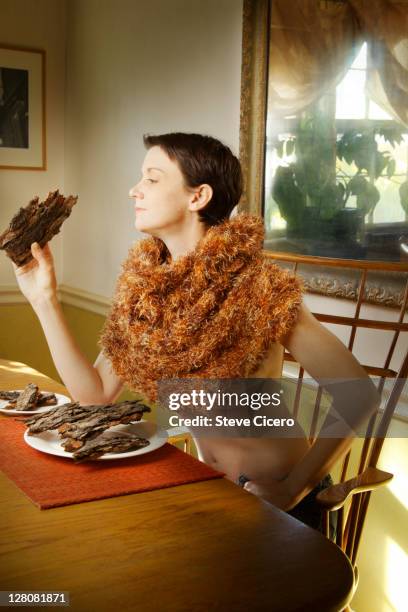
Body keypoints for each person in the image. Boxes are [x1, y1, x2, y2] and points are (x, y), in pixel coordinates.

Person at [12, 132, 378, 534]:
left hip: (278, 501)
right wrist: (44, 298)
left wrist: (292, 489)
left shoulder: (256, 288)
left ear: (197, 196)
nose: (134, 190)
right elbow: (95, 394)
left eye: (152, 179)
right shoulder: (144, 292)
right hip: (208, 490)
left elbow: (357, 394)